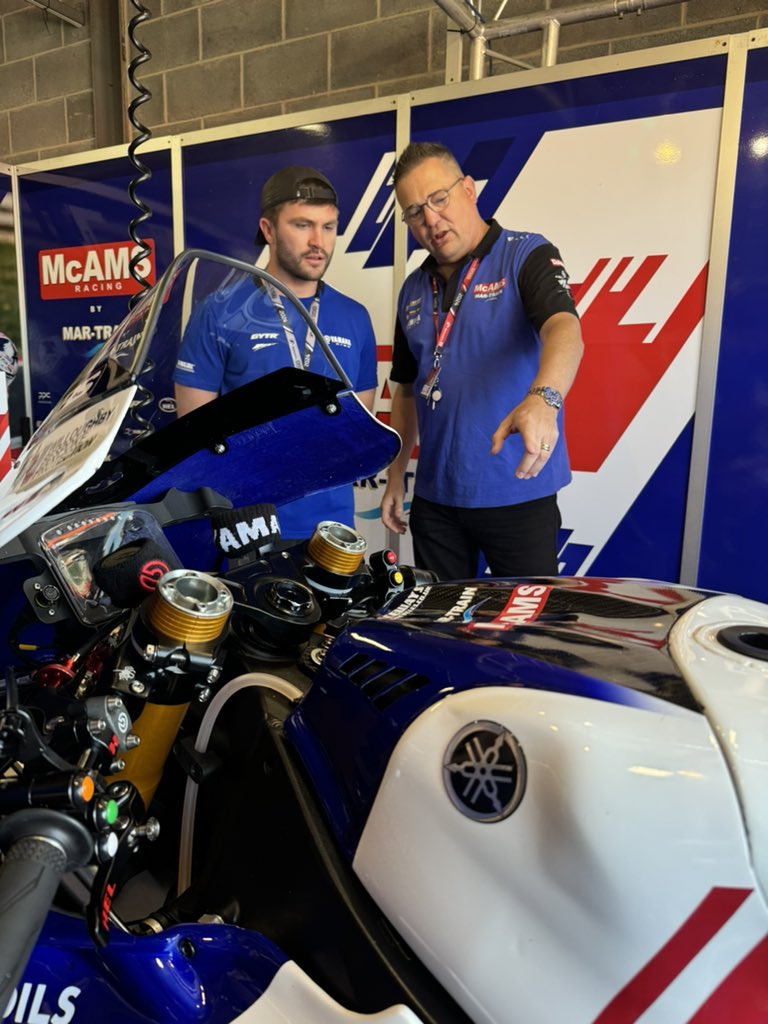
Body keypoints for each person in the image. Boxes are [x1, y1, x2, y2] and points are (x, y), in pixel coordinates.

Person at [380, 141, 584, 580]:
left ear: (469, 190)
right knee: (441, 633)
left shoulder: (523, 253)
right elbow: (407, 388)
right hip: (436, 502)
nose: (431, 220)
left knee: (527, 632)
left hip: (516, 493)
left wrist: (544, 399)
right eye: (415, 212)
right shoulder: (413, 290)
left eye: (440, 199)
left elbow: (564, 328)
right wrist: (396, 475)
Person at [174, 165, 378, 540]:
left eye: (328, 226)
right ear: (268, 230)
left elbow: (360, 431)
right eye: (302, 225)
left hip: (332, 528)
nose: (319, 241)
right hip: (245, 526)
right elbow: (195, 432)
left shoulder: (355, 316)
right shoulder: (218, 312)